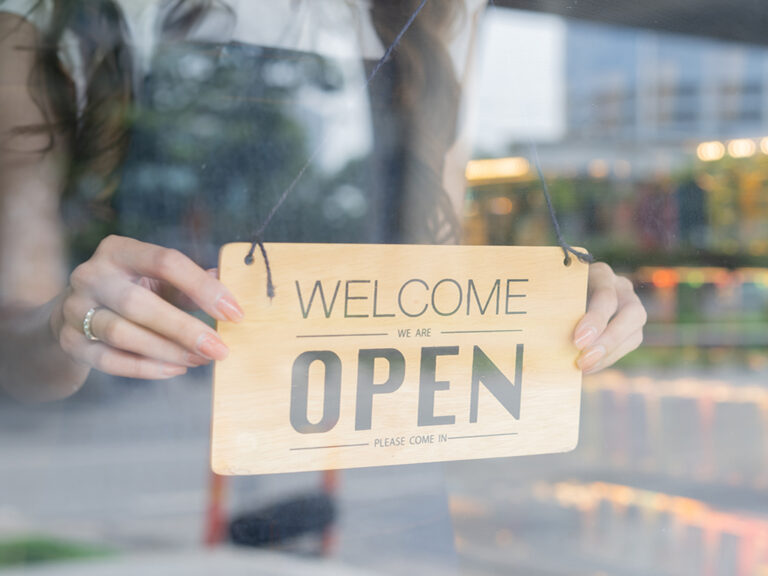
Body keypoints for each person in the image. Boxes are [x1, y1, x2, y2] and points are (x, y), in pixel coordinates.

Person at [0, 0, 646, 404]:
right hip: (150, 497)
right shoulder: (44, 31)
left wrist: (556, 310)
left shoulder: (433, 20)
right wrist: (75, 320)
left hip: (382, 496)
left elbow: (427, 309)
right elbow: (18, 367)